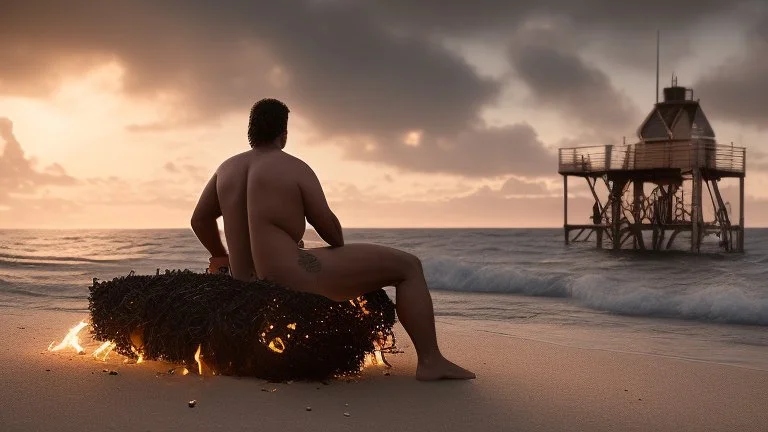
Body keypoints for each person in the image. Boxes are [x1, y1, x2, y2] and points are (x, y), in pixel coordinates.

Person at [191, 98, 475, 381]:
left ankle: (431, 361)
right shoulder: (294, 167)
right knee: (409, 266)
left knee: (305, 251)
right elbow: (333, 235)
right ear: (284, 134)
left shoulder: (226, 170)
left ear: (250, 132)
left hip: (244, 281)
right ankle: (430, 361)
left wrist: (221, 256)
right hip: (292, 277)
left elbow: (199, 220)